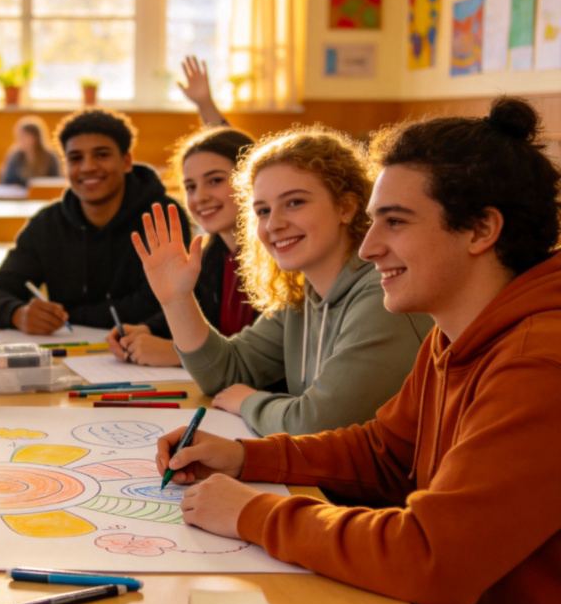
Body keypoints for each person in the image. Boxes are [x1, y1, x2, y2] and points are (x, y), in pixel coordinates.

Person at [131, 97, 561, 604]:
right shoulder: (460, 330)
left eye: (394, 222)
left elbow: (432, 556)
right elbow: (382, 453)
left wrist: (253, 511)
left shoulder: (540, 358)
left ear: (481, 229)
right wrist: (245, 455)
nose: (369, 247)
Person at [132, 125, 432, 435]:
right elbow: (225, 373)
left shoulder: (383, 294)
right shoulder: (303, 294)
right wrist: (177, 299)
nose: (274, 224)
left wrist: (249, 401)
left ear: (346, 207)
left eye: (294, 202)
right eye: (262, 210)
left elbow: (315, 424)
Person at [0, 109, 191, 333]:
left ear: (126, 162)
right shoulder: (48, 222)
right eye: (76, 158)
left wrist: (68, 314)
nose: (87, 167)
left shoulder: (163, 216)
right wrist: (17, 314)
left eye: (102, 155)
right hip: (69, 356)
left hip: (147, 356)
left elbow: (160, 304)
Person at [106, 126, 256, 366]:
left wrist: (179, 355)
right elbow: (194, 315)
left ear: (252, 180)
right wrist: (145, 331)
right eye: (190, 187)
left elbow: (268, 357)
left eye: (215, 180)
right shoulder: (213, 254)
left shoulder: (279, 259)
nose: (199, 197)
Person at [0, 116, 61, 187]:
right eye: (19, 136)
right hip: (18, 196)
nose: (20, 140)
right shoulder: (14, 156)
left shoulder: (50, 157)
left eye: (24, 136)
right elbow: (5, 182)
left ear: (36, 137)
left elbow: (56, 182)